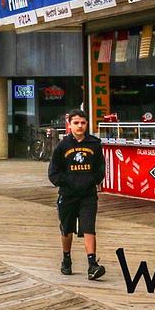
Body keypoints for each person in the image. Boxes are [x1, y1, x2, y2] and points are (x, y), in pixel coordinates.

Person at [47, 108, 106, 280]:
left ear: (87, 124)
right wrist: (67, 182)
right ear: (69, 124)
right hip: (68, 195)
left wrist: (91, 180)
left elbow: (100, 169)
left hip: (88, 194)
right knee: (67, 229)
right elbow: (53, 172)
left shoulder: (94, 144)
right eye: (76, 123)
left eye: (83, 123)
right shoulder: (62, 146)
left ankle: (92, 264)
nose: (80, 126)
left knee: (89, 227)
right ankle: (66, 259)